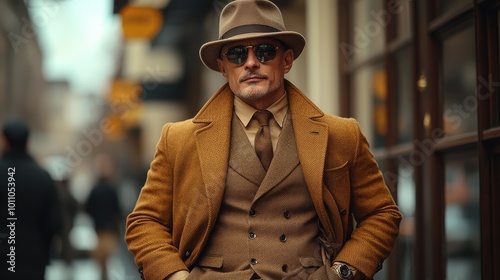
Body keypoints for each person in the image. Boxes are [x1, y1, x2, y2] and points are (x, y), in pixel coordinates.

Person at [125, 1, 402, 280]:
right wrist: (175, 276)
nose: (250, 62)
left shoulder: (341, 134)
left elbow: (382, 213)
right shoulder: (179, 139)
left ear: (287, 60)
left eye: (265, 51)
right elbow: (144, 222)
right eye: (236, 54)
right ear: (223, 68)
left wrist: (345, 271)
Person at [0, 118, 62, 280]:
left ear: (5, 141)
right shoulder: (43, 177)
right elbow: (54, 220)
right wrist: (43, 246)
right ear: (27, 142)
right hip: (34, 258)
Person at [85, 154, 123, 280]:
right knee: (109, 256)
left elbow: (88, 208)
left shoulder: (94, 190)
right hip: (110, 228)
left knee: (101, 258)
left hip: (99, 229)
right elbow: (118, 210)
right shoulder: (113, 189)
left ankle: (103, 275)